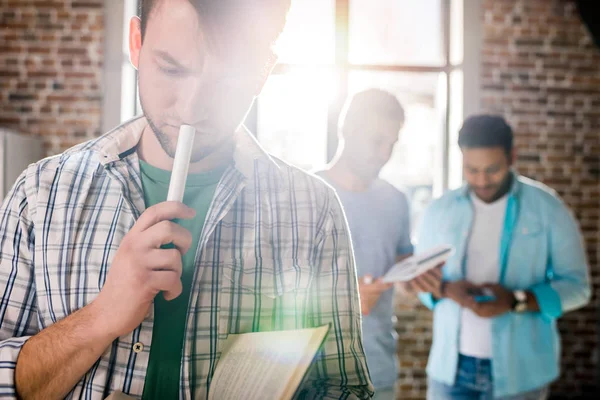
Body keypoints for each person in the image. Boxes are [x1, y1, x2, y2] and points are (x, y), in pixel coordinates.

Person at [0, 1, 374, 398]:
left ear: (262, 72)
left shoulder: (314, 211)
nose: (192, 108)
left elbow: (344, 388)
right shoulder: (41, 192)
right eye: (172, 69)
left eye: (227, 80)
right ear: (136, 42)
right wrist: (102, 316)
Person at [417, 115, 591, 400]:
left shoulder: (549, 208)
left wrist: (516, 300)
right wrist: (447, 290)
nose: (482, 180)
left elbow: (578, 288)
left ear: (512, 156)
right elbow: (420, 280)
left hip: (522, 373)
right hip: (449, 372)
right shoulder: (439, 210)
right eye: (472, 170)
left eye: (492, 169)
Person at [318, 89, 442, 400]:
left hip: (379, 372)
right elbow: (272, 291)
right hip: (317, 375)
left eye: (391, 144)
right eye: (376, 141)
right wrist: (343, 300)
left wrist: (417, 276)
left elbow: (400, 263)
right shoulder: (307, 196)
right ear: (346, 130)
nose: (384, 153)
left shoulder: (396, 201)